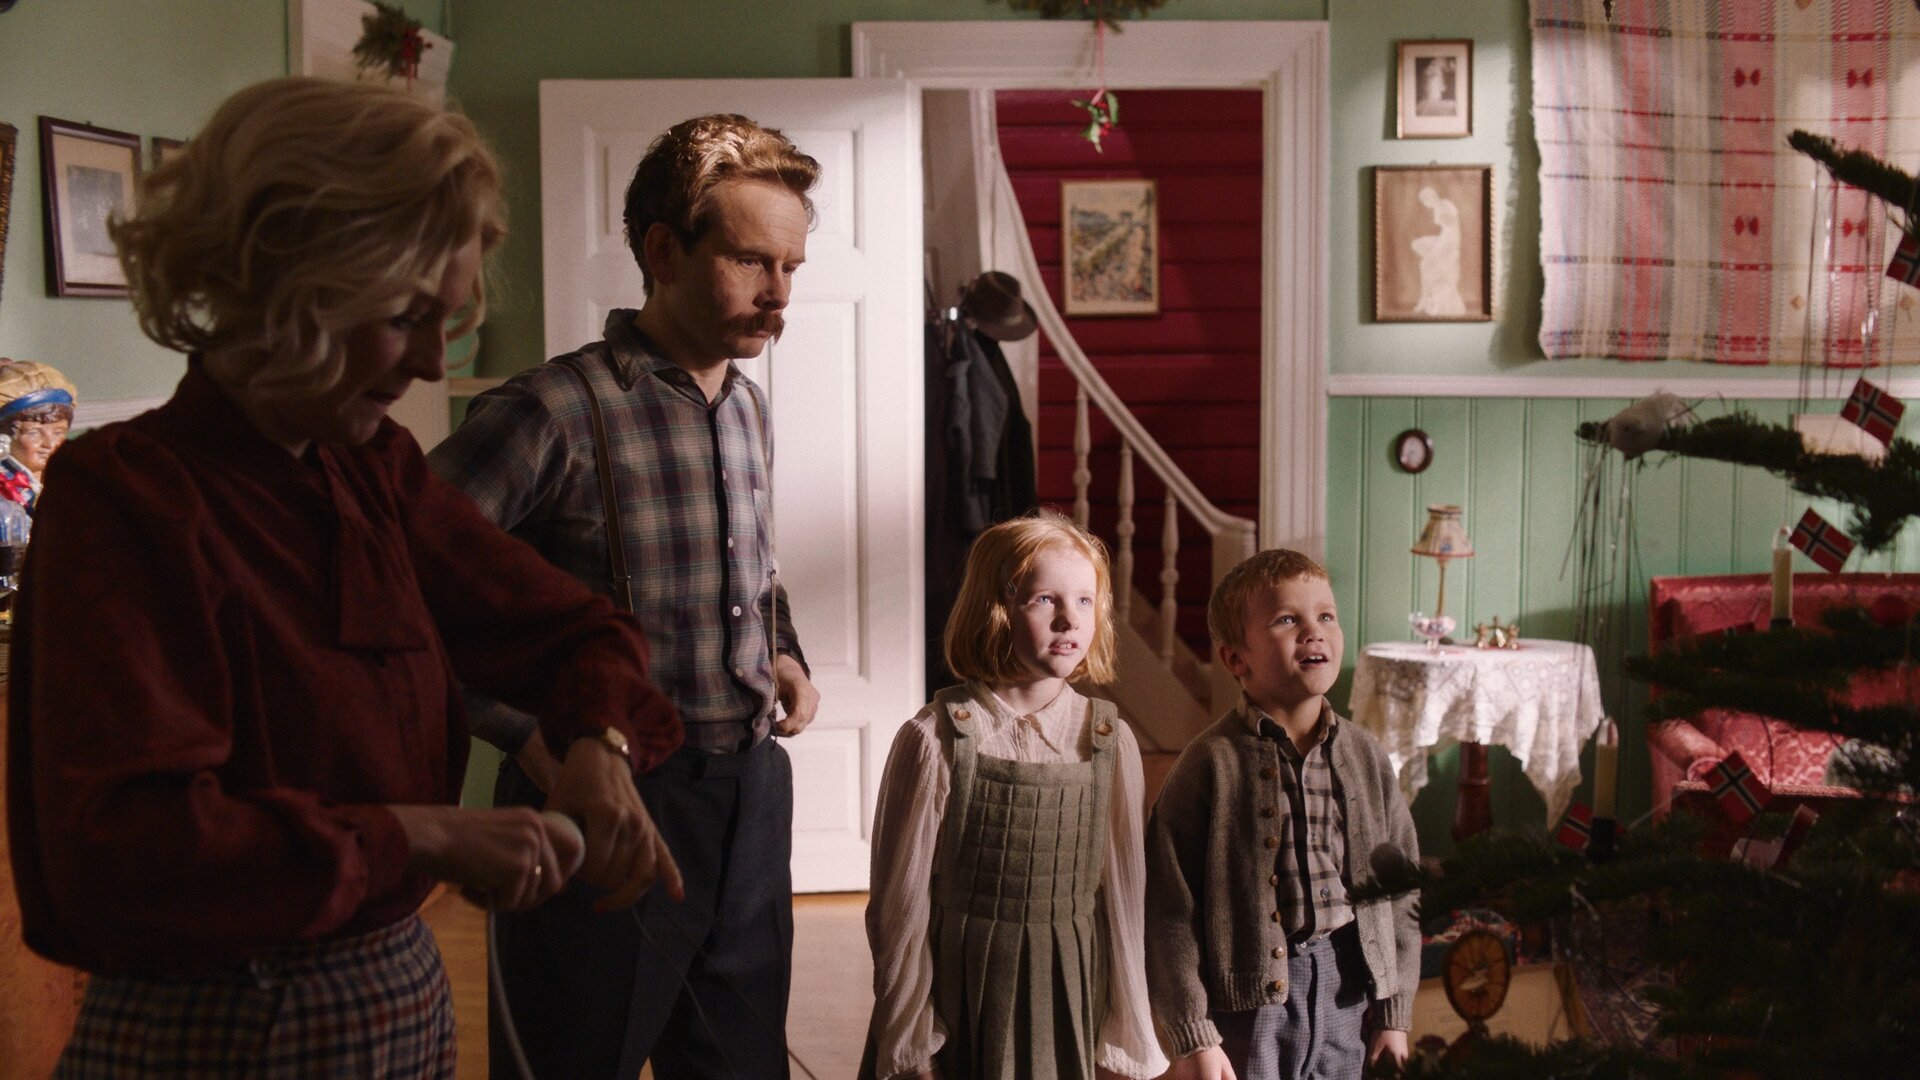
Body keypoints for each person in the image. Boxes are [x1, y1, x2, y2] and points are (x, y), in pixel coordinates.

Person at [7, 76, 685, 1078]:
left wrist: (599, 742)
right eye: (405, 317)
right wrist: (421, 837)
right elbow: (127, 850)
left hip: (393, 996)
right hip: (219, 1032)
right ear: (287, 283)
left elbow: (571, 630)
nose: (431, 363)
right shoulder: (127, 497)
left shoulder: (371, 471)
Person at [429, 112, 823, 1079]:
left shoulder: (747, 405)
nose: (778, 294)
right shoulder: (551, 411)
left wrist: (783, 649)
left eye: (791, 267)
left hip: (749, 800)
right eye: (750, 261)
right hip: (602, 806)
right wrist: (527, 737)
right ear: (663, 252)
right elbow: (401, 588)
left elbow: (752, 568)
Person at [861, 511, 1167, 1080]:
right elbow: (897, 910)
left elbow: (1125, 898)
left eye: (1084, 601)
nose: (1068, 620)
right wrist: (911, 1044)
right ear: (995, 609)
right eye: (1045, 600)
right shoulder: (935, 739)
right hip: (968, 992)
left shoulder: (1108, 739)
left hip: (1072, 990)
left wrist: (1127, 1037)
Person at [1146, 549, 1418, 1080]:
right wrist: (1194, 1033)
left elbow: (1400, 890)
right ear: (1235, 659)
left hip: (1347, 989)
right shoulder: (1208, 763)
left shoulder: (1366, 756)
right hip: (1249, 1008)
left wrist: (1393, 1013)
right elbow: (1169, 911)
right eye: (1288, 620)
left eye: (1326, 616)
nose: (1314, 631)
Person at [0, 360, 77, 512]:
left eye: (58, 432)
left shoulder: (70, 478)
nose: (49, 444)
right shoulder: (6, 489)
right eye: (34, 433)